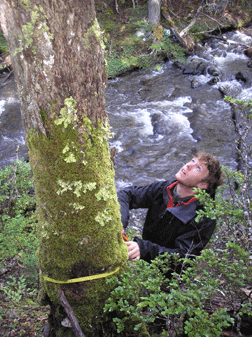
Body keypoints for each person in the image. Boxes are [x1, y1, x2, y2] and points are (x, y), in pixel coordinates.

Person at [118, 152, 223, 264]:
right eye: (192, 161)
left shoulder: (204, 217)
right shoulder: (165, 188)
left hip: (167, 274)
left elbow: (183, 258)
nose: (188, 165)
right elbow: (127, 194)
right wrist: (120, 221)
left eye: (197, 168)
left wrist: (144, 249)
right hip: (144, 257)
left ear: (203, 185)